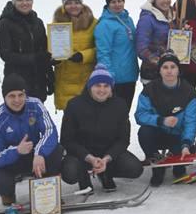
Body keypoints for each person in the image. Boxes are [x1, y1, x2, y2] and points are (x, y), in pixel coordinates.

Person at [59, 64, 143, 192]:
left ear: (111, 89)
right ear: (89, 87)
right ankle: (84, 176)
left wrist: (107, 159)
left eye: (106, 86)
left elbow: (123, 139)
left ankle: (106, 173)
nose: (102, 90)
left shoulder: (120, 105)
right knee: (70, 173)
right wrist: (89, 158)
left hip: (108, 153)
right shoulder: (74, 105)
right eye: (97, 85)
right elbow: (67, 140)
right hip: (81, 155)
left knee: (134, 168)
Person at [0, 74, 61, 206]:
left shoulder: (35, 105)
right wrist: (17, 151)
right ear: (4, 97)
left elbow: (50, 130)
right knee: (0, 182)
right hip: (13, 159)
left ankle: (47, 191)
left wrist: (39, 153)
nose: (17, 100)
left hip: (35, 156)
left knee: (57, 150)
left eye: (21, 95)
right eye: (12, 96)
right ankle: (8, 194)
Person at [135, 54, 196, 186]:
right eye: (165, 67)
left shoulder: (189, 92)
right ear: (159, 70)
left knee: (184, 159)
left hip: (178, 135)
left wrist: (186, 144)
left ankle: (178, 165)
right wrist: (160, 120)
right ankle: (157, 166)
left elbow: (191, 122)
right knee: (144, 132)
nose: (169, 71)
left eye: (172, 67)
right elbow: (140, 115)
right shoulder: (150, 89)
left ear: (178, 70)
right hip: (157, 133)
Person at [0, 0, 53, 102]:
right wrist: (35, 58)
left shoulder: (38, 23)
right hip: (16, 82)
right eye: (20, 0)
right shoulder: (5, 24)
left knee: (36, 117)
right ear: (14, 2)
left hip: (38, 81)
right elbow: (6, 55)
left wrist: (50, 75)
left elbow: (45, 50)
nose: (24, 3)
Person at [51, 0, 97, 111]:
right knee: (70, 122)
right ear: (64, 5)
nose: (73, 6)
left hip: (86, 78)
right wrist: (54, 59)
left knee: (88, 120)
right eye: (69, 3)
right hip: (66, 81)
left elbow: (100, 49)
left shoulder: (94, 23)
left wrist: (84, 55)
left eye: (77, 2)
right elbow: (50, 49)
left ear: (82, 4)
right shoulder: (56, 25)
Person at [94, 0, 139, 105]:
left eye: (120, 1)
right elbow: (103, 53)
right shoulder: (104, 25)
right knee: (114, 114)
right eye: (113, 2)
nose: (117, 4)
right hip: (116, 78)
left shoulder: (128, 19)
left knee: (125, 112)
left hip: (130, 75)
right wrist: (109, 77)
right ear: (108, 4)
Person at [136, 0, 176, 83]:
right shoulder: (147, 19)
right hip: (152, 72)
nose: (166, 0)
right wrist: (157, 60)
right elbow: (141, 48)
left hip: (170, 71)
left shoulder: (173, 15)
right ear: (154, 0)